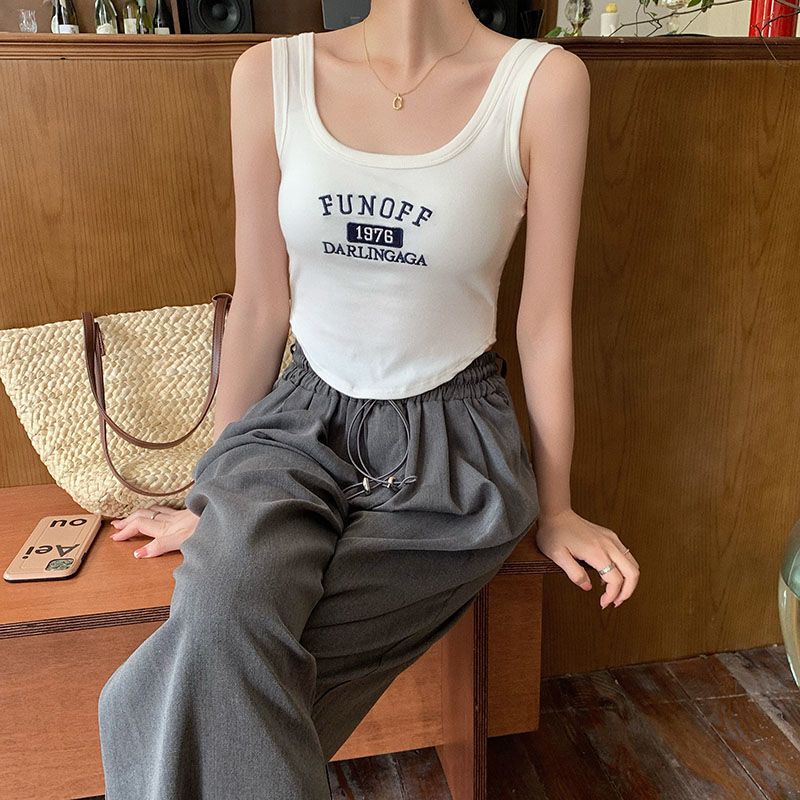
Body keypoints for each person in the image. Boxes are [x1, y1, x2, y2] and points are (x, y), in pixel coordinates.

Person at [97, 2, 640, 798]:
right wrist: (215, 499)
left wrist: (557, 508)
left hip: (454, 452)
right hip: (296, 423)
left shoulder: (543, 84)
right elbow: (260, 306)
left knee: (209, 674)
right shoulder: (269, 76)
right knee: (220, 617)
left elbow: (544, 321)